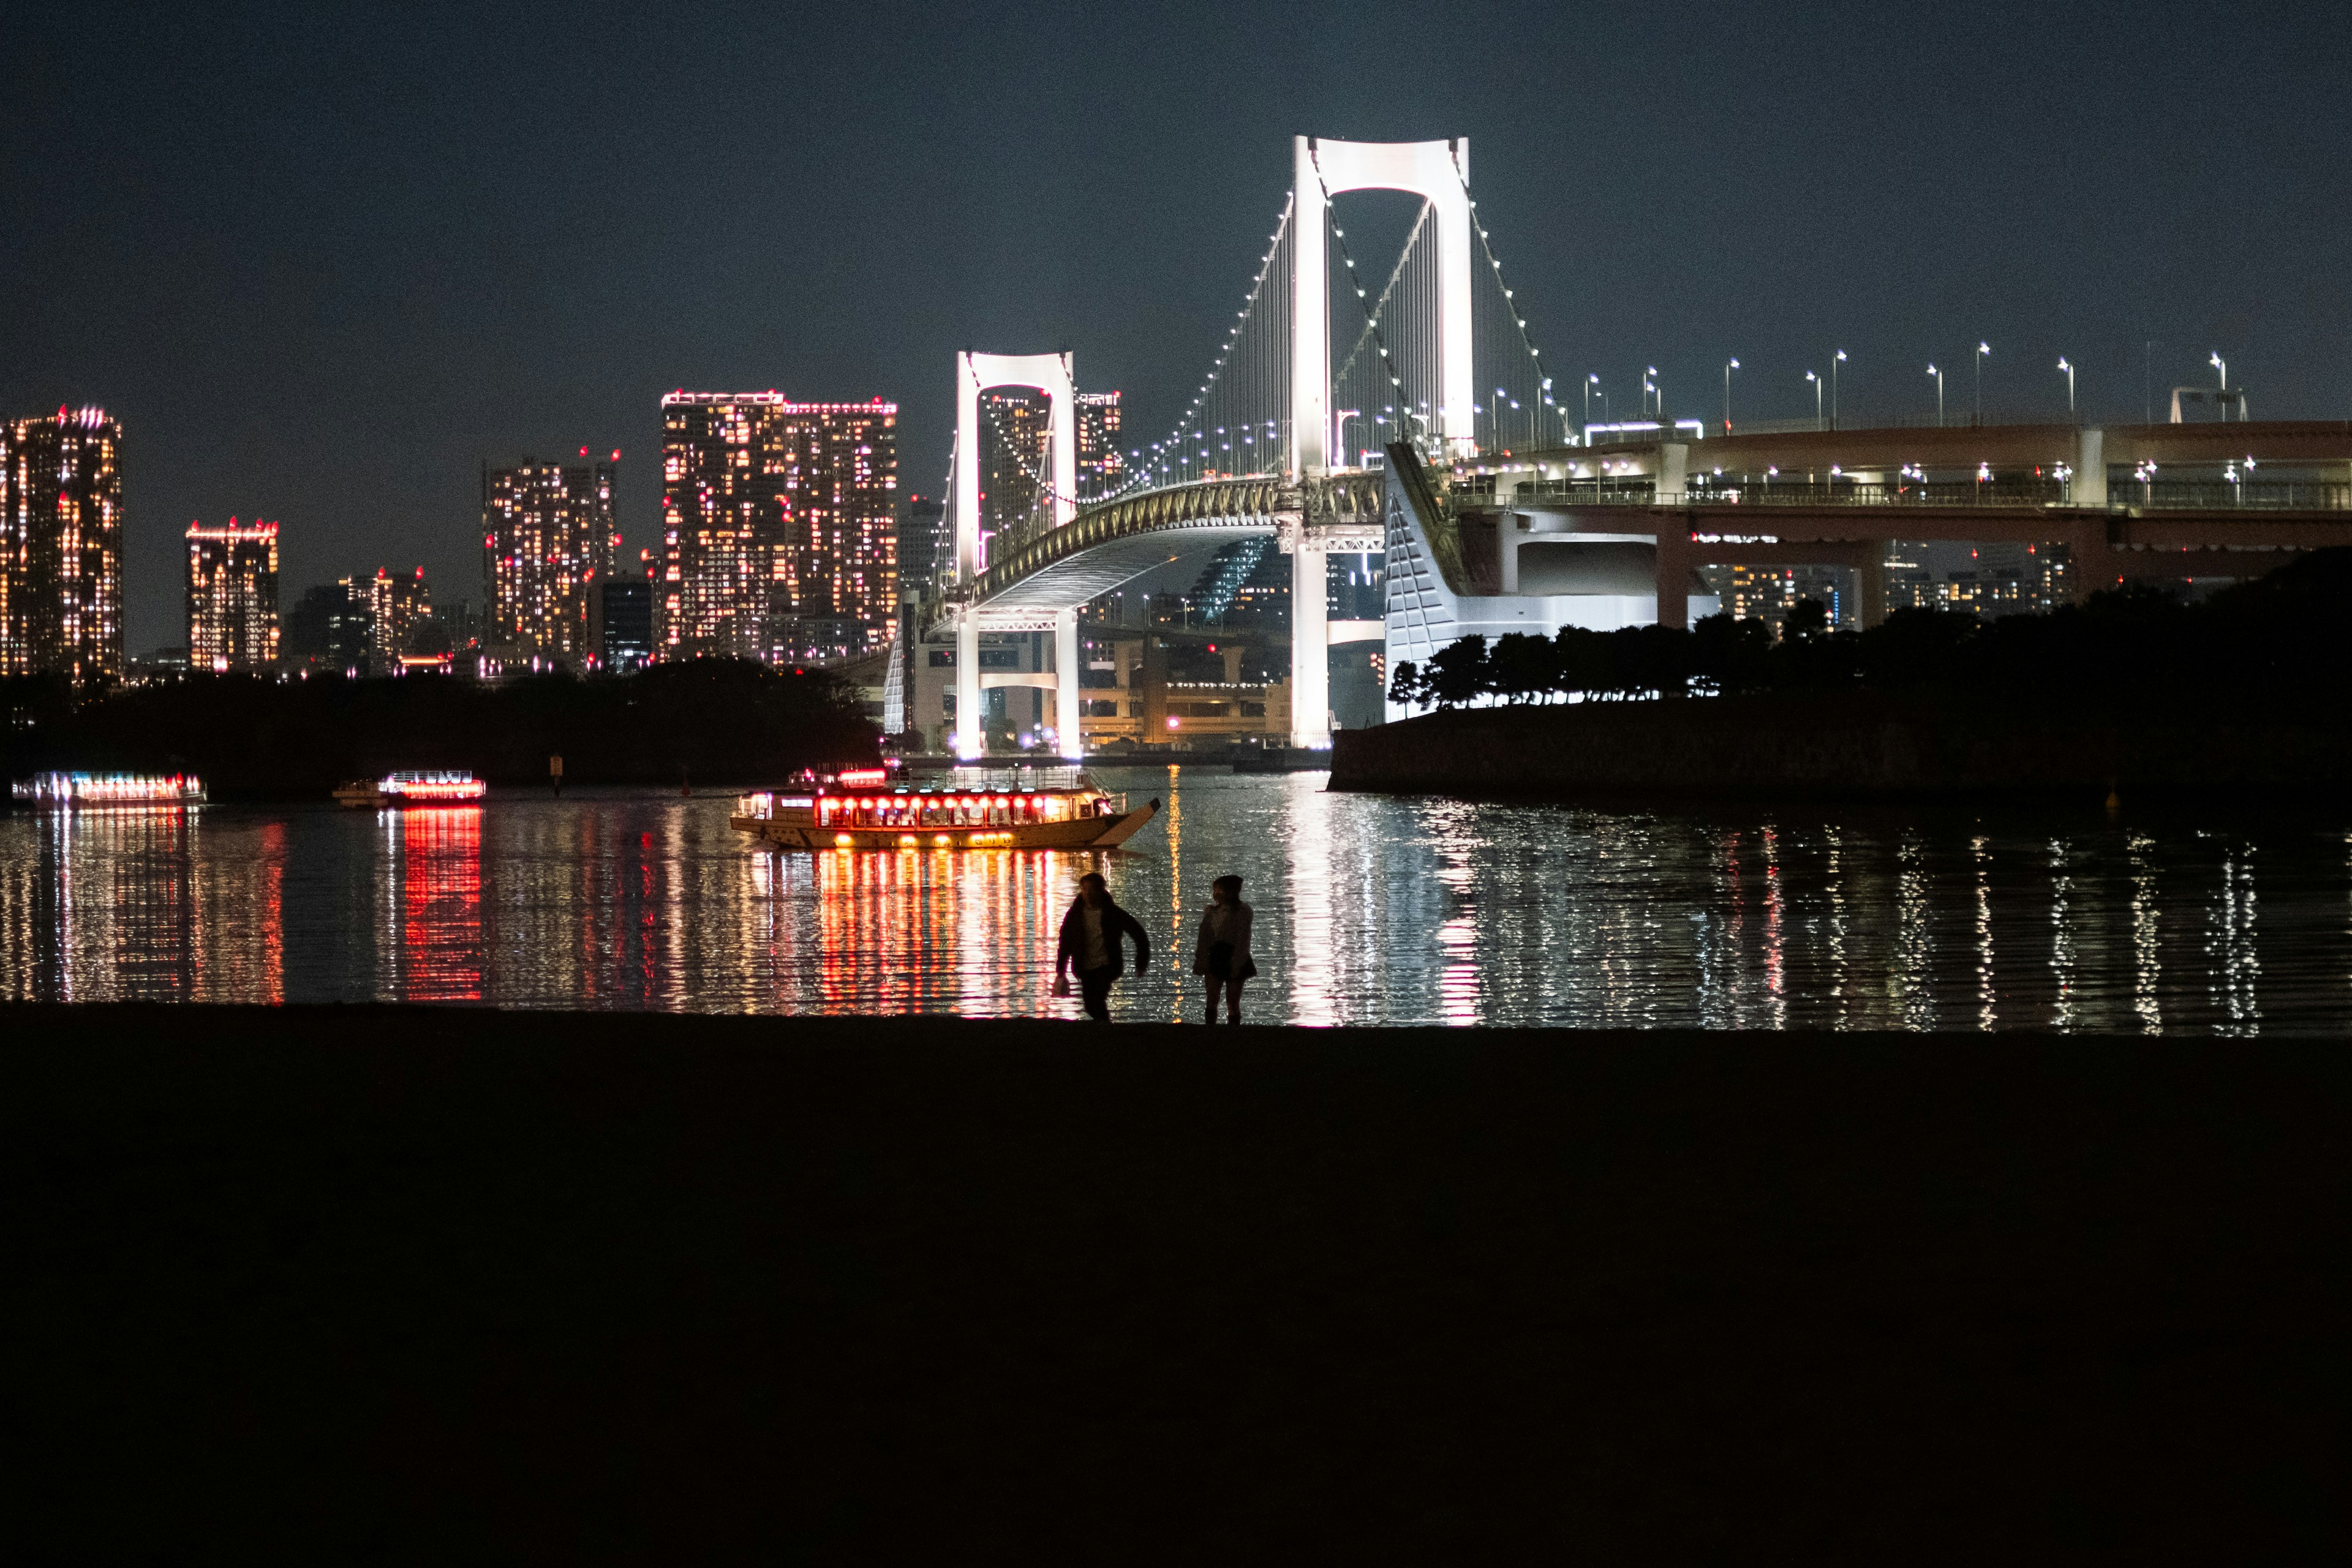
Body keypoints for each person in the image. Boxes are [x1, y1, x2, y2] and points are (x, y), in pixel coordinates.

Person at [1055, 872, 1152, 1022]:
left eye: (1091, 889)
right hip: (1085, 967)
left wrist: (1140, 963)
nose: (1087, 894)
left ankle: (1105, 1029)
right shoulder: (1075, 915)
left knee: (1097, 1000)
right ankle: (1105, 1027)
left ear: (1100, 891)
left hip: (1106, 965)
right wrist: (1061, 968)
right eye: (1084, 889)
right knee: (1090, 1005)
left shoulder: (1112, 913)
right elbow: (1065, 941)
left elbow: (1139, 934)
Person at [1193, 874, 1257, 1025]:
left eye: (1219, 890)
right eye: (1215, 891)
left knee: (1232, 1001)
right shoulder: (1212, 913)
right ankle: (1212, 1030)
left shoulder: (1242, 912)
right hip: (1215, 955)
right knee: (1212, 998)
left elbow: (1243, 939)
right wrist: (1201, 959)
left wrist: (1237, 963)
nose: (1216, 894)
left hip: (1234, 954)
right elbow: (1204, 938)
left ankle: (1232, 1032)